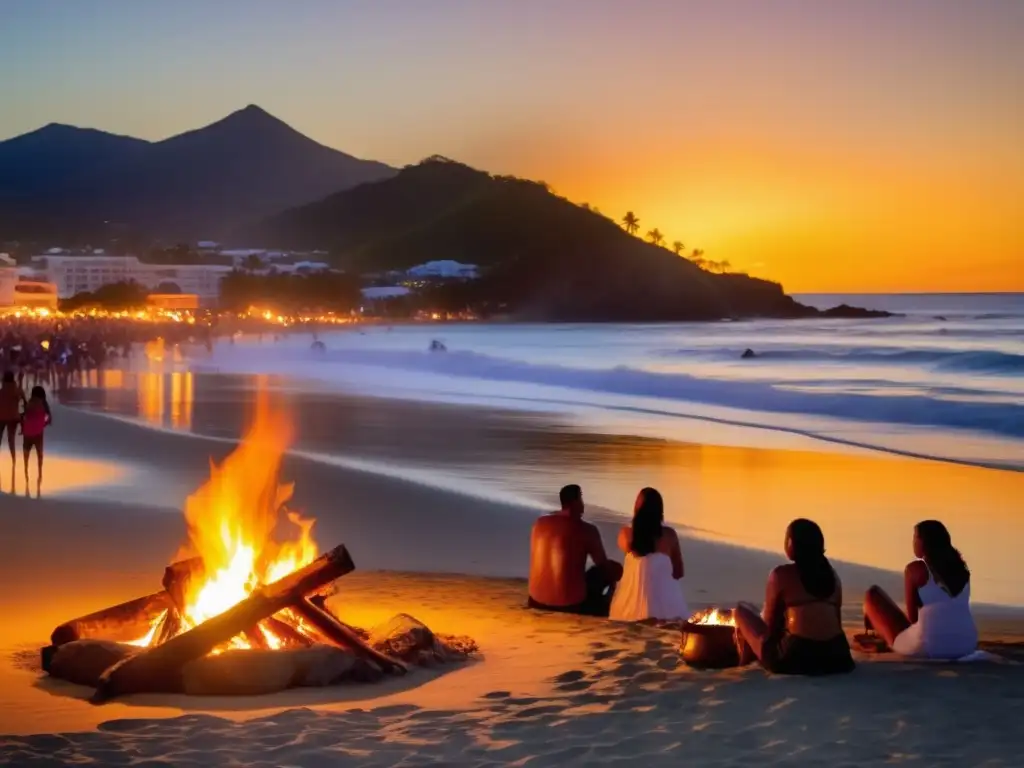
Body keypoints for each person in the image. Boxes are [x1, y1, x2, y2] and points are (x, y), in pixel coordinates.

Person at [734, 519, 854, 675]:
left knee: (741, 611)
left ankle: (743, 663)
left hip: (796, 657)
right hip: (838, 657)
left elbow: (769, 627)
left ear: (791, 544)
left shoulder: (780, 575)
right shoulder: (834, 578)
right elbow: (836, 624)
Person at [862, 520, 976, 659]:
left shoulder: (915, 570)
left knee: (872, 595)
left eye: (916, 537)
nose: (913, 542)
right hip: (966, 645)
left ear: (925, 542)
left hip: (927, 647)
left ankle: (874, 632)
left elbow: (912, 619)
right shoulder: (962, 571)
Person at [528, 484, 623, 616]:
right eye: (581, 499)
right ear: (575, 502)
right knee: (612, 569)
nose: (583, 504)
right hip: (571, 606)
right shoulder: (586, 530)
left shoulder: (539, 523)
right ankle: (608, 604)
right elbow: (602, 565)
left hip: (535, 601)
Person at [609, 488, 688, 621]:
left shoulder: (626, 535)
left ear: (637, 509)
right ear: (659, 511)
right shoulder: (669, 535)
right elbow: (679, 572)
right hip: (667, 608)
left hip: (629, 608)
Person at [21, 385, 51, 497]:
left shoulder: (29, 403)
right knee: (39, 453)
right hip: (38, 433)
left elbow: (24, 416)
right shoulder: (44, 405)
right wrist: (43, 424)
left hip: (27, 433)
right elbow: (49, 418)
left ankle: (26, 472)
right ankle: (39, 473)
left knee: (26, 452)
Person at [0, 370, 25, 491]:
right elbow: (23, 398)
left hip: (1, 417)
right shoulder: (16, 390)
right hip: (14, 417)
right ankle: (13, 459)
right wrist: (20, 381)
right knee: (11, 440)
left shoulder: (2, 390)